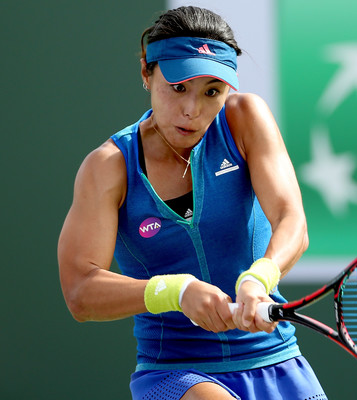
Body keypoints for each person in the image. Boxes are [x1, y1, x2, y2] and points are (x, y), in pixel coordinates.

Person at [58, 6, 327, 400]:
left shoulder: (244, 118)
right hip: (176, 374)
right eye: (178, 87)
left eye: (211, 92)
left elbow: (292, 221)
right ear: (147, 74)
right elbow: (80, 292)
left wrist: (259, 278)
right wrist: (176, 291)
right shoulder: (109, 167)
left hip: (279, 362)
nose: (192, 110)